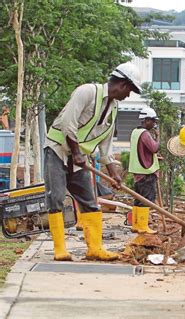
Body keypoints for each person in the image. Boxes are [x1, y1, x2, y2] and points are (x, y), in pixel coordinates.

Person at [45, 62, 142, 261]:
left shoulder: (114, 109)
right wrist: (76, 152)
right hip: (57, 150)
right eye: (130, 91)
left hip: (79, 157)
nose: (128, 96)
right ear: (122, 84)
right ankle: (60, 249)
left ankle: (95, 248)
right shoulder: (87, 92)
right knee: (56, 197)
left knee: (90, 201)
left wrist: (113, 173)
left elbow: (106, 147)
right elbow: (67, 123)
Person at [128, 107, 160, 234]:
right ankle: (142, 226)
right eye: (153, 121)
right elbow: (154, 148)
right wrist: (158, 137)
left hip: (138, 170)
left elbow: (141, 150)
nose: (154, 124)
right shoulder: (145, 134)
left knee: (138, 199)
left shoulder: (135, 132)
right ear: (146, 120)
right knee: (145, 200)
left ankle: (136, 225)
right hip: (146, 172)